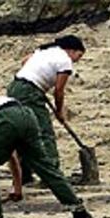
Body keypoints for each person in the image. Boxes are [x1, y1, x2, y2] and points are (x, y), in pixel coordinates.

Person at [7, 35, 85, 185]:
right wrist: (59, 111)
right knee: (45, 133)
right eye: (79, 55)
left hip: (15, 87)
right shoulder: (65, 61)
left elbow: (25, 61)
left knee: (23, 132)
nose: (77, 60)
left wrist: (36, 77)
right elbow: (58, 91)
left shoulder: (46, 51)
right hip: (30, 92)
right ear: (71, 50)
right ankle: (51, 176)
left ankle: (24, 175)